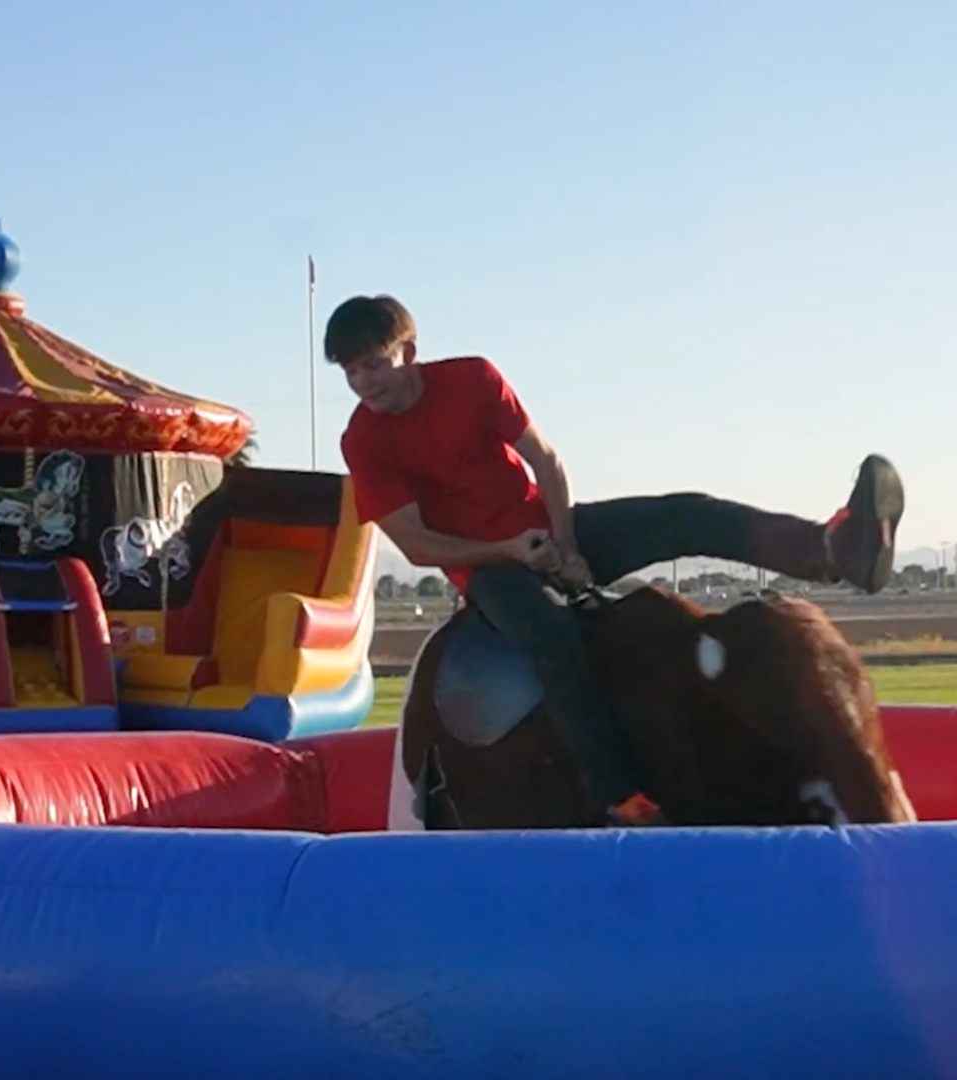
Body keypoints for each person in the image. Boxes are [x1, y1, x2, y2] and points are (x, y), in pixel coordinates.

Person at [328, 294, 905, 827]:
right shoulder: (364, 441)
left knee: (684, 513)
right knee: (553, 635)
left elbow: (546, 461)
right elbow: (417, 544)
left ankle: (830, 550)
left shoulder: (474, 379)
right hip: (488, 568)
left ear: (408, 351)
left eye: (373, 364)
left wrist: (568, 543)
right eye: (350, 372)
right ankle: (618, 793)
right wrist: (509, 551)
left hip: (552, 528)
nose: (362, 382)